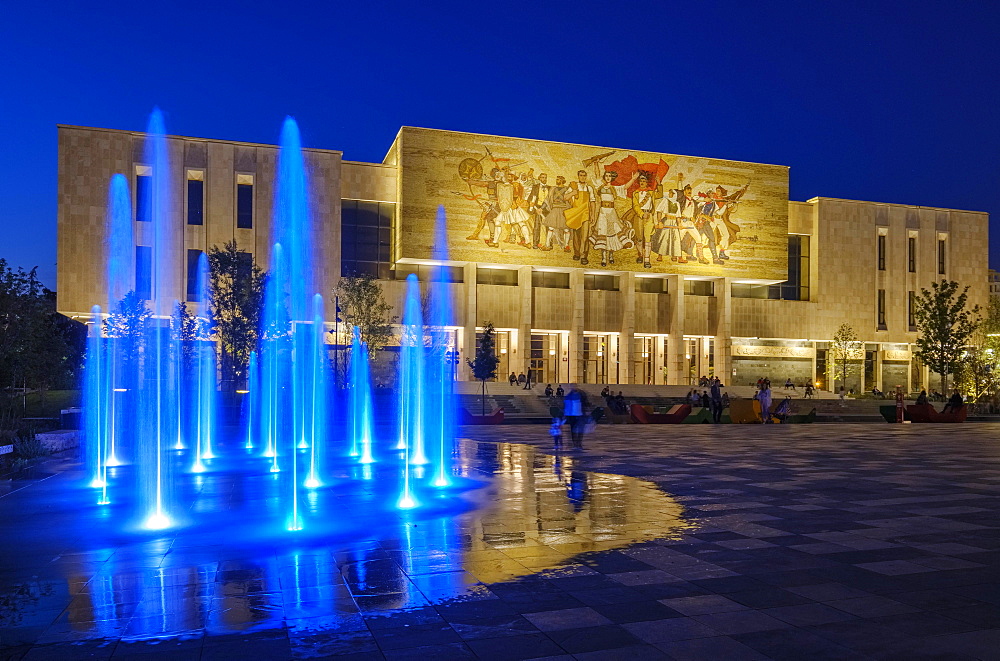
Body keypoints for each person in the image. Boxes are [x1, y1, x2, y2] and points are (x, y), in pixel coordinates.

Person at [564, 385, 589, 450]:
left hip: (580, 414)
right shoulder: (569, 395)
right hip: (572, 415)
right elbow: (567, 405)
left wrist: (586, 410)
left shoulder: (581, 394)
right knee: (573, 430)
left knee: (580, 430)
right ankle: (575, 444)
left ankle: (578, 443)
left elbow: (585, 402)